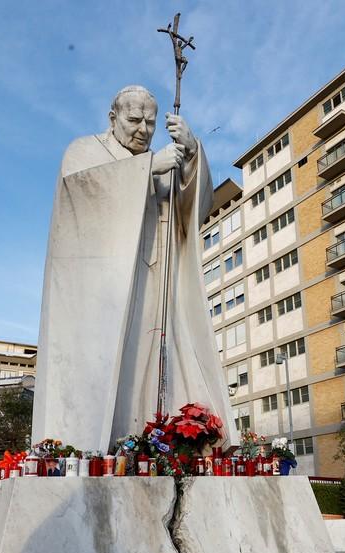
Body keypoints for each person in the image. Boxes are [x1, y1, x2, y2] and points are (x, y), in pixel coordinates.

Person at [32, 85, 237, 452]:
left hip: (158, 284)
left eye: (151, 122)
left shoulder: (166, 159)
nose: (143, 129)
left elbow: (196, 207)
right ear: (113, 118)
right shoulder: (84, 151)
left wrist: (191, 154)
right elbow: (78, 197)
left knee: (161, 366)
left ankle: (163, 443)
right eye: (133, 120)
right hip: (105, 295)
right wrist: (144, 171)